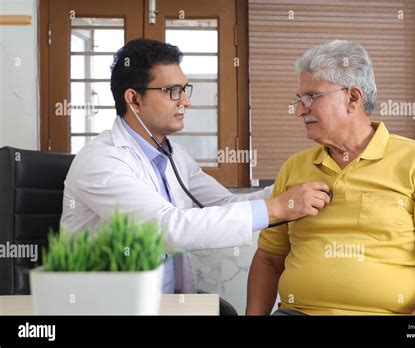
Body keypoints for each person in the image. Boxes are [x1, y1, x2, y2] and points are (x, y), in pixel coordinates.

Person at [60, 39, 331, 294]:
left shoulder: (174, 155)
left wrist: (291, 187)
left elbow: (224, 203)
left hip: (170, 303)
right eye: (172, 91)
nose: (186, 101)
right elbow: (165, 229)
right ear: (134, 99)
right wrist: (278, 207)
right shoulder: (100, 162)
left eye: (184, 90)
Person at [247, 40, 415, 315]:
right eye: (298, 100)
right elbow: (269, 259)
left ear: (353, 98)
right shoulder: (294, 167)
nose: (299, 110)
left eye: (311, 98)